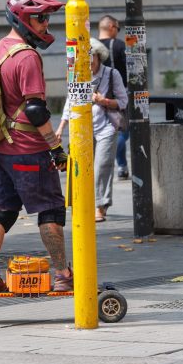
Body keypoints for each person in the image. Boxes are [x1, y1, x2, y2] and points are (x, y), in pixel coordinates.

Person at [0, 0, 73, 294]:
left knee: (1, 211)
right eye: (41, 17)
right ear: (23, 19)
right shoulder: (28, 56)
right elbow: (35, 109)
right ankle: (63, 274)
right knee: (50, 211)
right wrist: (55, 147)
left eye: (47, 18)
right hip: (28, 150)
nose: (46, 24)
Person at [56, 38, 128, 223]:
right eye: (83, 57)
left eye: (91, 57)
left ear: (98, 56)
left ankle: (100, 206)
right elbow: (69, 102)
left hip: (106, 128)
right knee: (78, 167)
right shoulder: (78, 75)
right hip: (82, 129)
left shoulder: (112, 74)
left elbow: (123, 102)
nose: (88, 62)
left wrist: (103, 100)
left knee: (102, 166)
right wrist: (61, 127)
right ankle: (79, 203)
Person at [98, 15, 129, 179]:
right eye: (117, 28)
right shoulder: (118, 46)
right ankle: (122, 166)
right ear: (111, 26)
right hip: (117, 97)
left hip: (96, 98)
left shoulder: (91, 47)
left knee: (104, 131)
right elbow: (130, 71)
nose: (118, 31)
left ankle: (112, 165)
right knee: (121, 131)